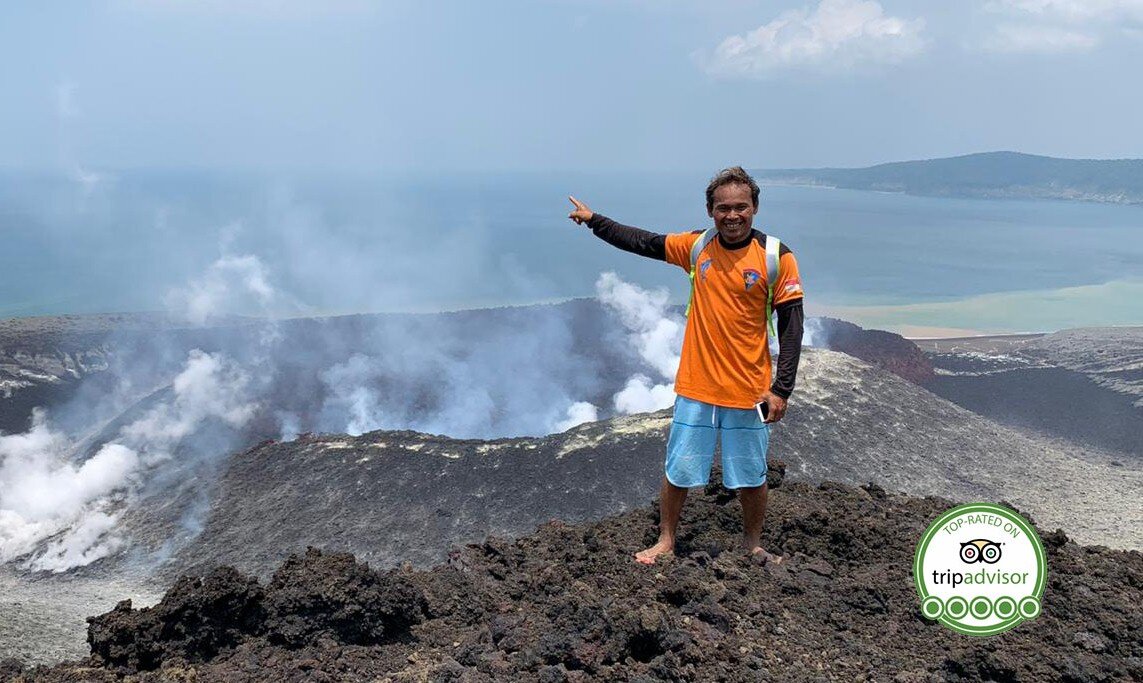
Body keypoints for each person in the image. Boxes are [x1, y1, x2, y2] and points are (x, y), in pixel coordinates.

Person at [567, 166, 804, 565]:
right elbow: (642, 241)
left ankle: (752, 545)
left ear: (755, 208)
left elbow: (792, 325)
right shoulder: (697, 247)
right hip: (696, 386)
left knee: (752, 474)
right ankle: (666, 541)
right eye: (723, 208)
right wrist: (595, 222)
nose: (732, 216)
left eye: (741, 207)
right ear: (710, 210)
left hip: (750, 390)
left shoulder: (776, 257)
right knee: (678, 470)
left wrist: (781, 389)